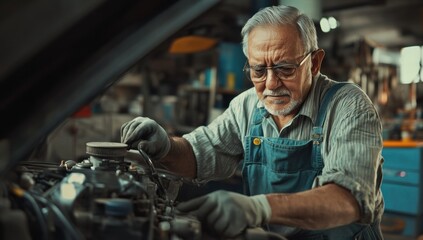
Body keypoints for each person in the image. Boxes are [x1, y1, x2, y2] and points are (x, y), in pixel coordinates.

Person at [121, 4, 384, 240]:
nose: (270, 84)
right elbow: (202, 153)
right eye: (258, 70)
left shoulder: (349, 106)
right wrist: (167, 147)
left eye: (285, 69)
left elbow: (348, 200)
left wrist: (259, 207)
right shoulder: (247, 105)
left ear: (314, 63)